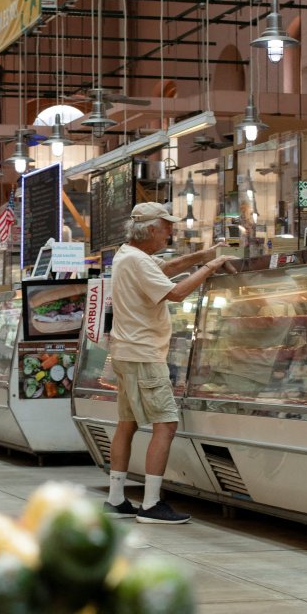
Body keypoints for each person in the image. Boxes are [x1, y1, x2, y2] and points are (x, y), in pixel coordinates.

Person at [105, 202, 236, 524]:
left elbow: (163, 270)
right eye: (167, 228)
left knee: (128, 423)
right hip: (144, 354)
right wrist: (210, 267)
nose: (170, 233)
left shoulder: (127, 256)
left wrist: (202, 256)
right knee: (166, 423)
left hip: (125, 352)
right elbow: (176, 293)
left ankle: (116, 498)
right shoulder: (137, 260)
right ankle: (151, 504)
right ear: (151, 229)